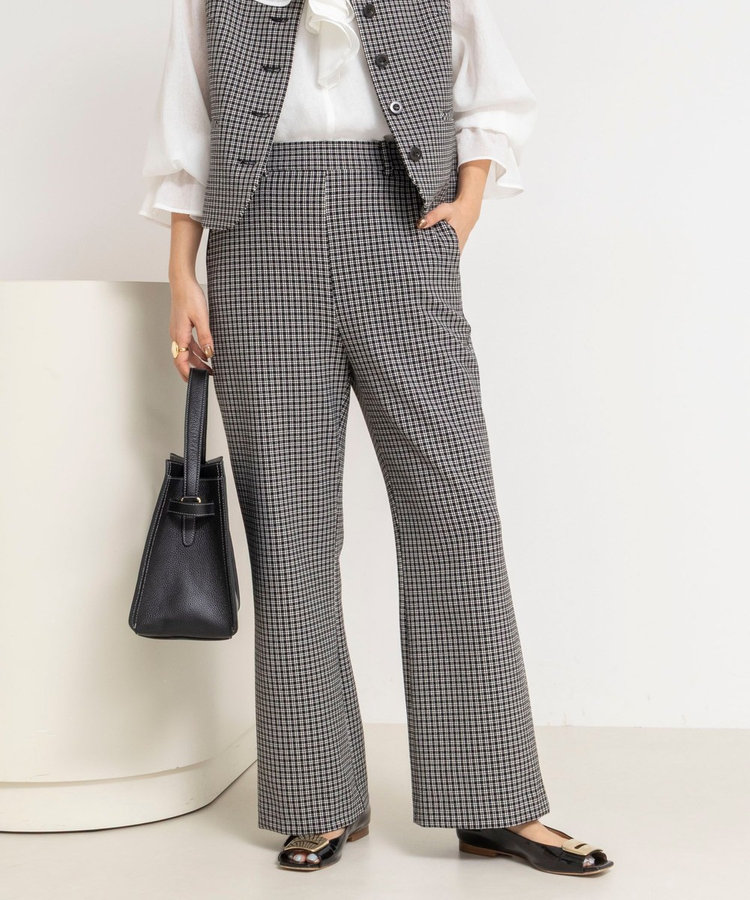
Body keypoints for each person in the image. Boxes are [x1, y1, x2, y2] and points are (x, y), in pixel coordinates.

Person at [139, 0, 613, 877]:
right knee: (289, 528)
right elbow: (189, 119)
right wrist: (181, 273)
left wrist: (467, 207)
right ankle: (316, 799)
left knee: (457, 515)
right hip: (256, 239)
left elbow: (489, 92)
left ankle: (494, 803)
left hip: (403, 223)